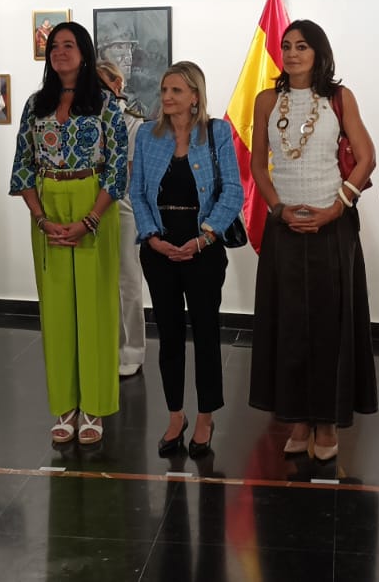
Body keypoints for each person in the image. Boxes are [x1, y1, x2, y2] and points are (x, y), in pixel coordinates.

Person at [248, 19, 379, 461]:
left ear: (319, 53)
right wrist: (279, 210)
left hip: (332, 225)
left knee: (328, 328)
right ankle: (298, 420)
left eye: (302, 46)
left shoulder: (339, 98)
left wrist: (337, 206)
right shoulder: (267, 100)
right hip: (285, 227)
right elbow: (259, 166)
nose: (292, 53)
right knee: (289, 327)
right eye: (287, 46)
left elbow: (366, 158)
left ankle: (327, 422)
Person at [10, 21, 129, 445]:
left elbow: (117, 168)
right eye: (54, 46)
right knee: (57, 312)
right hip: (47, 207)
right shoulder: (35, 104)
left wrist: (90, 220)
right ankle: (65, 406)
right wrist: (41, 218)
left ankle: (94, 406)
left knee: (95, 310)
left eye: (69, 45)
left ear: (84, 53)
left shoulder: (105, 104)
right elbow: (22, 166)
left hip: (93, 203)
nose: (60, 52)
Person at [129, 61, 243, 459]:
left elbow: (233, 191)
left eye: (176, 90)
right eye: (164, 90)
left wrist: (204, 237)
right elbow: (137, 192)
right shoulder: (148, 135)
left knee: (207, 334)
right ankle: (175, 415)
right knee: (170, 336)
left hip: (203, 250)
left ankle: (205, 417)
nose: (166, 97)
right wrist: (152, 237)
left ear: (195, 96)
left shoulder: (217, 132)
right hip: (159, 250)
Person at [95, 58, 148, 379]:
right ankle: (106, 346)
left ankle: (131, 350)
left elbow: (125, 172)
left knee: (127, 279)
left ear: (118, 85)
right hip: (88, 205)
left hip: (122, 204)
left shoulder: (132, 123)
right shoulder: (86, 121)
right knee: (99, 280)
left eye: (103, 85)